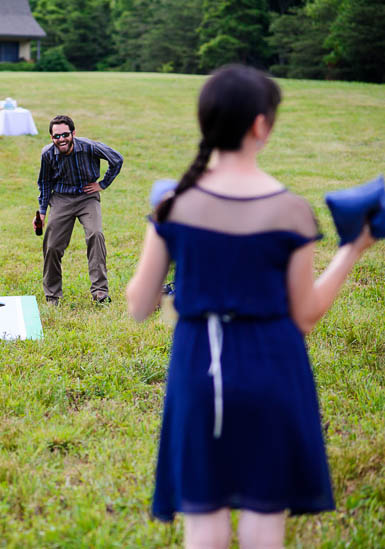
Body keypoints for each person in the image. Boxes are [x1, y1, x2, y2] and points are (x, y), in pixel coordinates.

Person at [125, 64, 375, 548]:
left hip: (200, 364)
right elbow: (305, 315)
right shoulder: (291, 210)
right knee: (265, 517)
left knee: (205, 518)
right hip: (273, 368)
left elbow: (139, 306)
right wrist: (352, 250)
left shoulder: (173, 204)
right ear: (261, 125)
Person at [35, 115, 123, 305]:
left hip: (87, 197)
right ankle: (52, 296)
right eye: (56, 136)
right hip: (61, 198)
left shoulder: (89, 147)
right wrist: (42, 211)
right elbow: (44, 182)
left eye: (65, 134)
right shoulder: (48, 154)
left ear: (73, 133)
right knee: (52, 246)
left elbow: (117, 159)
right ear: (51, 137)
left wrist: (102, 184)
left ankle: (100, 293)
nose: (61, 140)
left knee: (96, 234)